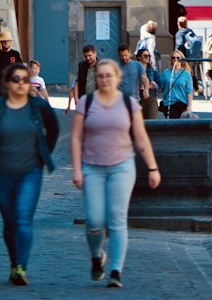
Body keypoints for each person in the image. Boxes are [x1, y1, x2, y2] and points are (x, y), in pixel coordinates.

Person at [70, 57, 160, 289]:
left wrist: (152, 167)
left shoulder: (129, 104)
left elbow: (141, 138)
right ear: (95, 78)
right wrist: (77, 169)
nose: (104, 79)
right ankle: (97, 255)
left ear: (117, 78)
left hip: (122, 166)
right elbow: (75, 137)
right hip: (92, 167)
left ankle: (116, 270)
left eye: (109, 75)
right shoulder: (86, 103)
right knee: (94, 221)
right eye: (100, 76)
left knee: (117, 217)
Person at [0, 62, 60, 285]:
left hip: (30, 171)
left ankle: (21, 267)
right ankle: (14, 263)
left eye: (25, 80)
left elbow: (53, 130)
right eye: (16, 80)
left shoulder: (38, 106)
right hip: (1, 172)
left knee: (22, 218)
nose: (21, 84)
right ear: (7, 83)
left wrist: (42, 155)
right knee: (9, 221)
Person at [0, 30, 23, 97]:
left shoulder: (15, 54)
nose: (6, 43)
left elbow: (20, 67)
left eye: (8, 41)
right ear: (1, 42)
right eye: (4, 41)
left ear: (10, 42)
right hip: (0, 86)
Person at [158, 53, 193, 118]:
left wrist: (189, 106)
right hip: (169, 103)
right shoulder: (166, 72)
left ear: (181, 60)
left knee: (181, 126)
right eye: (173, 58)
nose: (175, 59)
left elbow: (189, 91)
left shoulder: (186, 74)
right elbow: (161, 87)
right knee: (173, 123)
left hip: (182, 103)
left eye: (178, 58)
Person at [66, 44, 99, 113]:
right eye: (85, 56)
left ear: (95, 53)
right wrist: (76, 98)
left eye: (90, 55)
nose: (87, 58)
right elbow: (77, 82)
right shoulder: (81, 66)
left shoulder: (102, 65)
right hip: (83, 99)